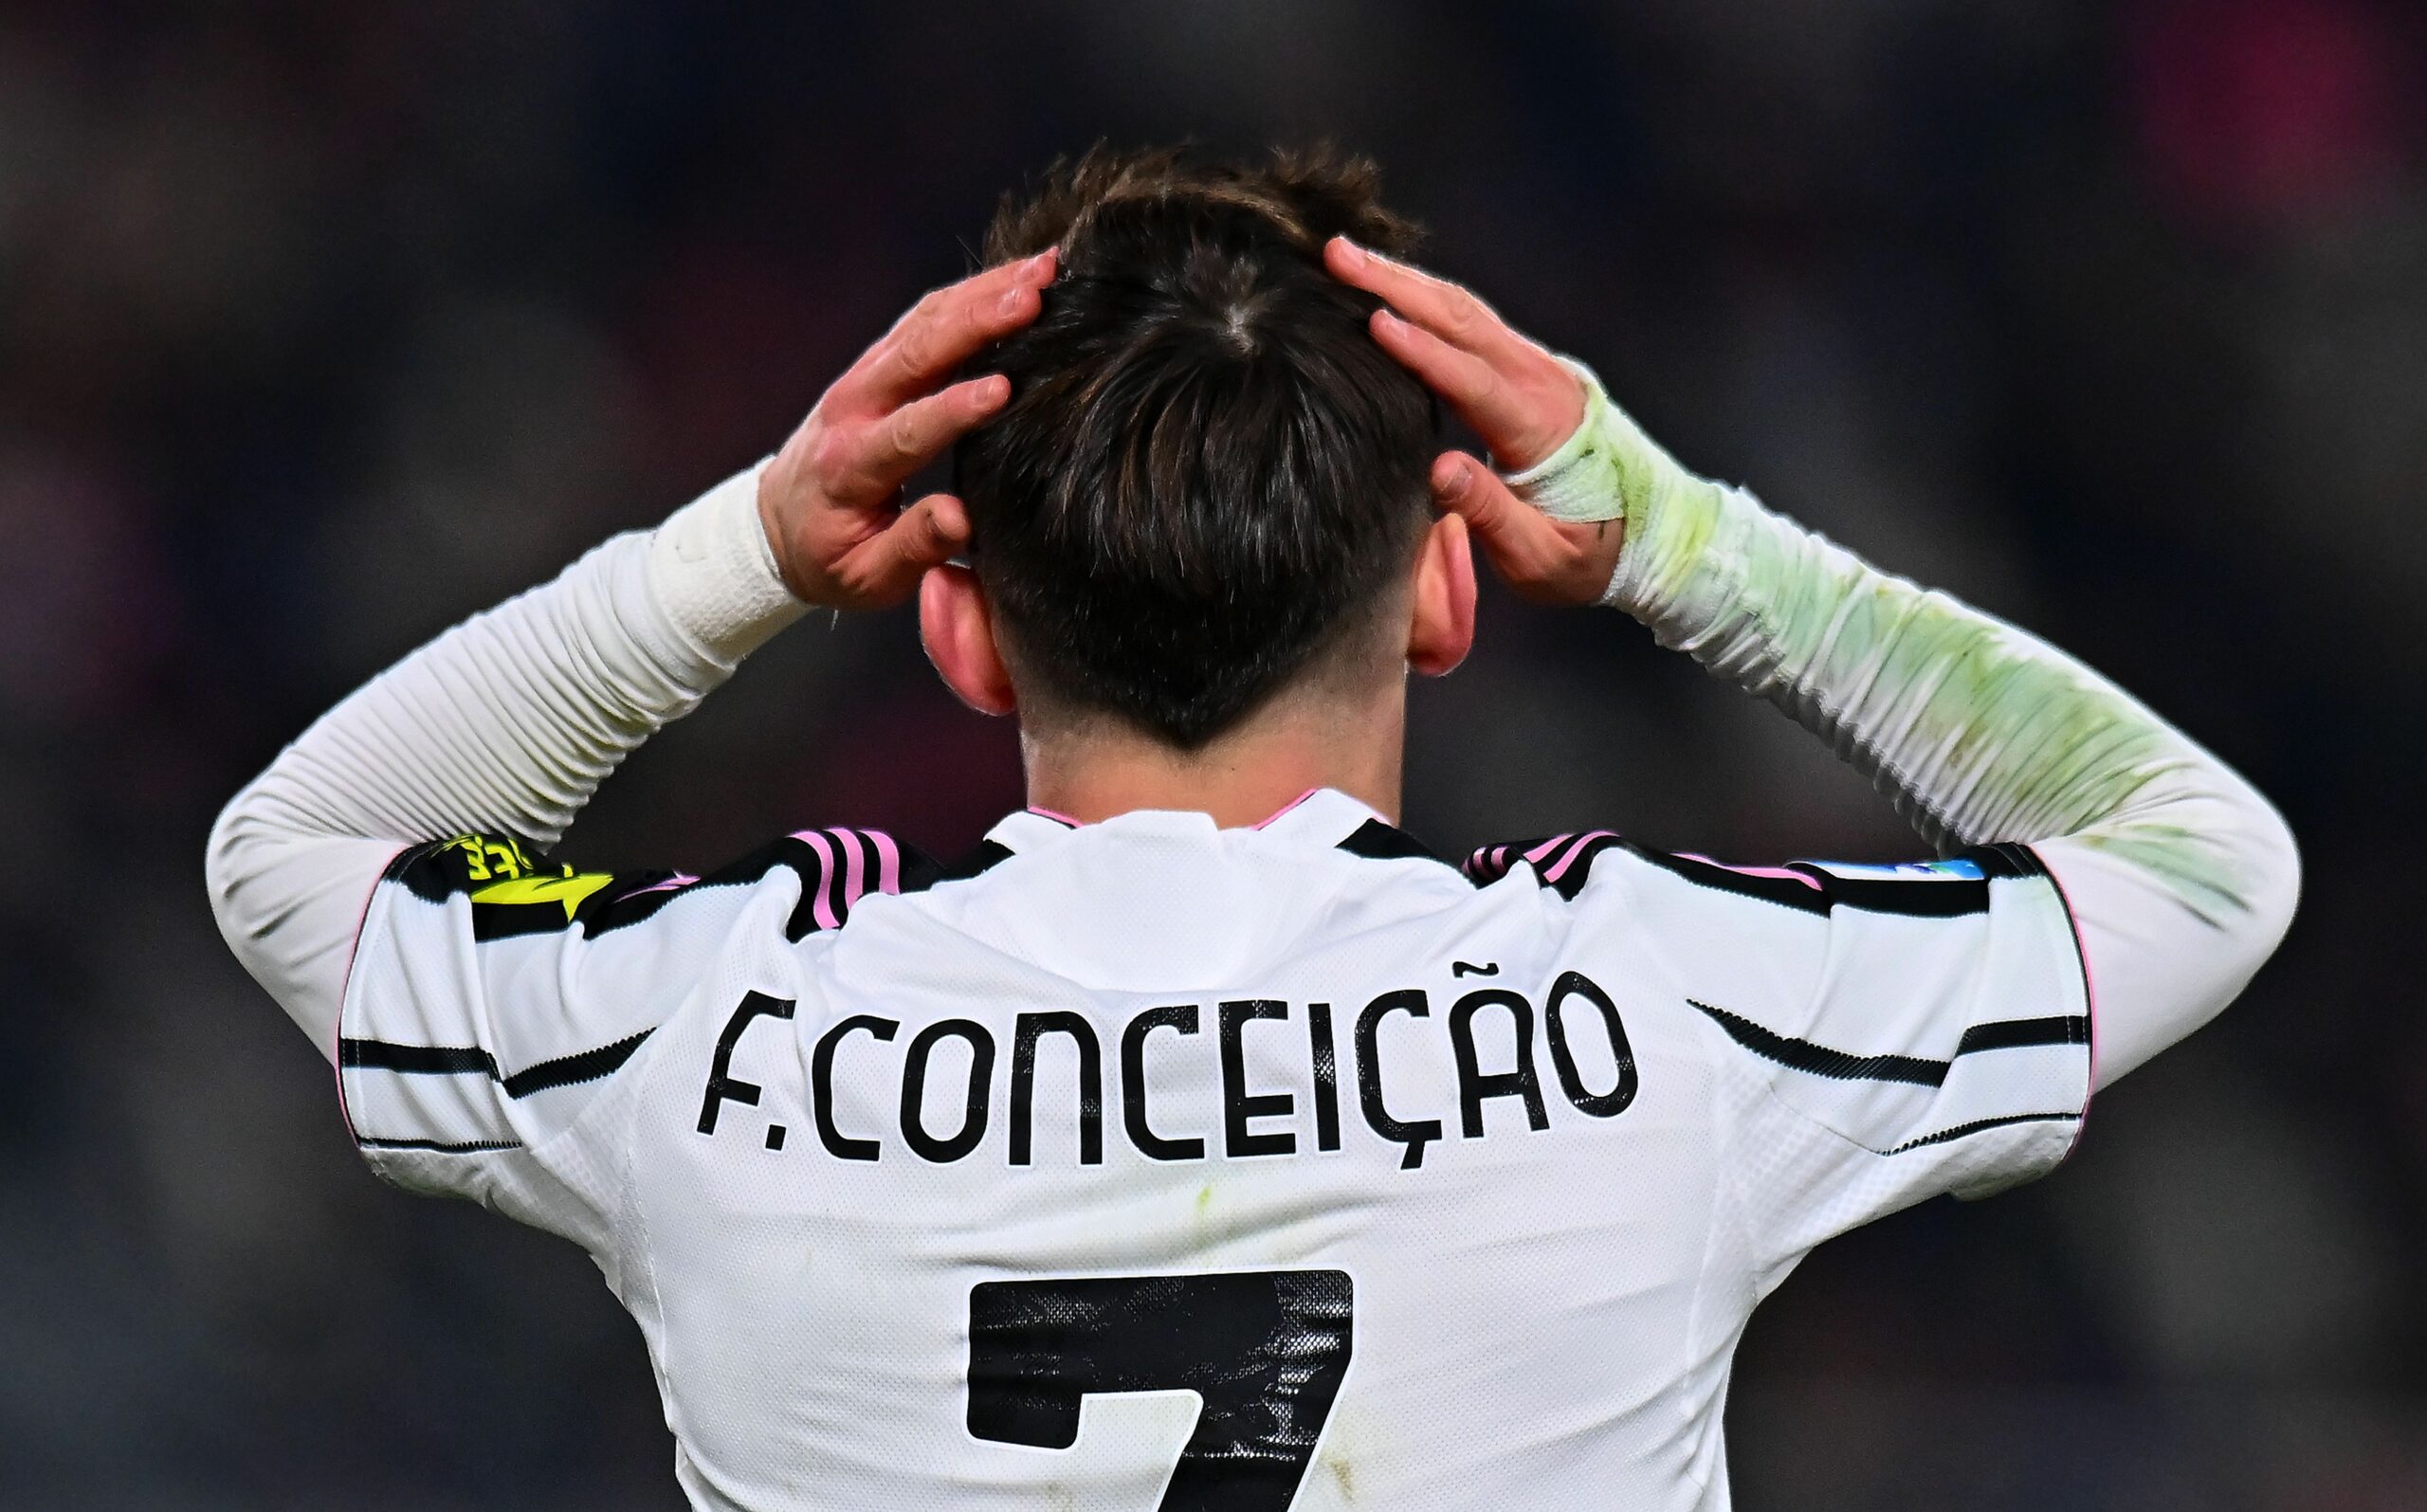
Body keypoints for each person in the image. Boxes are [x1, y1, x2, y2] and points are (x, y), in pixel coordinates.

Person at [206, 147, 2298, 1511]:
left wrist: (741, 548)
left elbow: (295, 852)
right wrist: (1684, 538)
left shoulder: (715, 1031)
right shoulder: (1659, 1007)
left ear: (950, 622)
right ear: (1448, 588)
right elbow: (2200, 856)